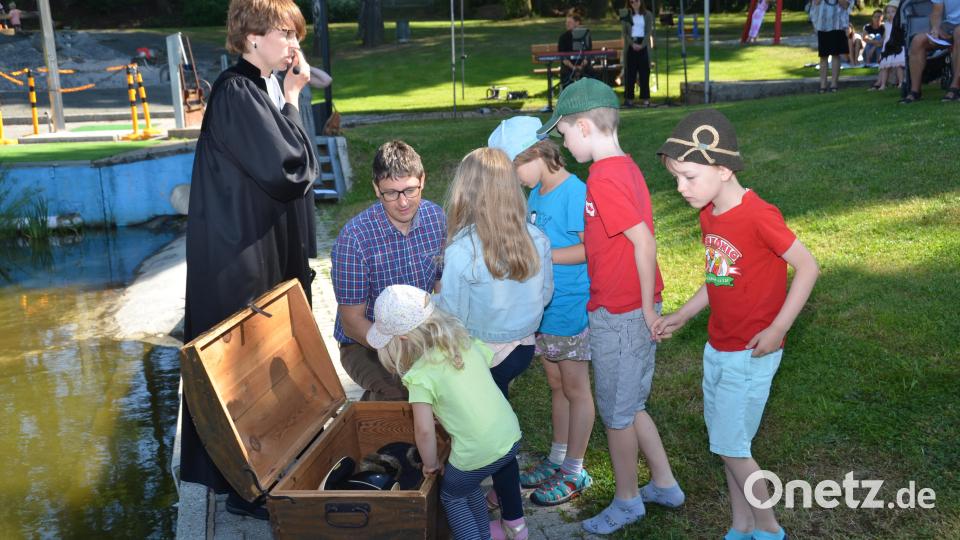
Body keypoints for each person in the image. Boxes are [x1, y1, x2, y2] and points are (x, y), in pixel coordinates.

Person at [652, 109, 820, 540]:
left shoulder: (759, 215)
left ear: (724, 169)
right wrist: (684, 313)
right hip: (718, 348)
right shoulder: (709, 214)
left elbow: (807, 267)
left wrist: (779, 328)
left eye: (689, 176)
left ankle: (768, 529)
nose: (680, 187)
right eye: (675, 177)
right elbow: (718, 276)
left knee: (731, 448)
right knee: (730, 447)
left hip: (751, 352)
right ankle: (741, 524)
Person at [182, 0, 319, 520]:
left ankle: (264, 473)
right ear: (252, 36)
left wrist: (288, 96)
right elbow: (290, 169)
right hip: (237, 258)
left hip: (256, 249)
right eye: (286, 34)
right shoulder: (237, 91)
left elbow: (289, 165)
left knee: (260, 364)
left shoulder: (254, 88)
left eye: (296, 36)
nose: (293, 46)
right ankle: (243, 488)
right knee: (238, 370)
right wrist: (291, 100)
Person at [536, 78, 684, 535]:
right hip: (623, 308)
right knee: (632, 404)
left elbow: (644, 242)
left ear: (583, 126)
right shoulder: (625, 168)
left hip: (621, 313)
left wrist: (642, 309)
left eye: (562, 133)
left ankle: (627, 501)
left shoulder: (603, 177)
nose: (562, 141)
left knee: (618, 417)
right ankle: (664, 483)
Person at [488, 117, 594, 507]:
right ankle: (557, 457)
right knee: (555, 386)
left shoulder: (573, 193)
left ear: (534, 154)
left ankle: (575, 469)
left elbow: (590, 250)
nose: (515, 179)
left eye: (515, 169)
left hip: (569, 310)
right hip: (543, 311)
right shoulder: (536, 194)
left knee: (575, 388)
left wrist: (539, 253)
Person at [367, 285, 528, 540]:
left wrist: (431, 464)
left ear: (403, 339)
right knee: (466, 484)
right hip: (509, 437)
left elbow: (423, 431)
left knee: (451, 494)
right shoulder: (463, 343)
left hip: (478, 450)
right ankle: (483, 534)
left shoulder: (420, 376)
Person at [331, 140, 446, 401]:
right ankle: (377, 418)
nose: (403, 202)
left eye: (410, 190)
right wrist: (400, 353)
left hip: (420, 331)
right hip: (366, 342)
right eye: (391, 193)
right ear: (376, 189)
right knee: (404, 392)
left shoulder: (437, 218)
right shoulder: (354, 239)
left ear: (422, 180)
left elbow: (440, 286)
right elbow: (351, 323)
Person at [435, 147, 553, 400]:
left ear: (464, 192)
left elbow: (452, 317)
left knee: (486, 418)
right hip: (524, 346)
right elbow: (545, 296)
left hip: (484, 353)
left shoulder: (462, 251)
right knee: (498, 403)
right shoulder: (538, 239)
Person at [900, 0, 960, 102]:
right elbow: (936, 12)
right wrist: (935, 29)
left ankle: (955, 88)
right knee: (918, 41)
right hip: (949, 26)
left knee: (959, 33)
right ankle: (915, 91)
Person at [808, 0, 853, 92]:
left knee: (836, 54)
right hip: (822, 25)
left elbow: (845, 5)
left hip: (838, 25)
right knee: (823, 56)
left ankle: (834, 84)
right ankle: (823, 85)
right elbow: (815, 3)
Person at [619, 0, 655, 108]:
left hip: (642, 44)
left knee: (644, 73)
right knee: (630, 73)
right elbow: (624, 33)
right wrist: (632, 44)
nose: (635, 3)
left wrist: (642, 45)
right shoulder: (626, 15)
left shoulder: (647, 14)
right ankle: (629, 99)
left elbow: (649, 32)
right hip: (631, 45)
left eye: (637, 1)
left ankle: (645, 99)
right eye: (632, 1)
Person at [873, 1, 905, 91]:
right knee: (885, 67)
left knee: (899, 66)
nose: (890, 14)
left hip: (897, 46)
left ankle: (901, 82)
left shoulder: (900, 24)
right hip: (887, 47)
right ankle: (883, 84)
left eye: (893, 12)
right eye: (888, 12)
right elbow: (885, 37)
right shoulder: (886, 25)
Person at [558, 10, 594, 88]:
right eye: (566, 22)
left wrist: (581, 66)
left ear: (577, 23)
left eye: (569, 22)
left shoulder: (585, 36)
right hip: (568, 65)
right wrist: (573, 67)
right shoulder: (563, 38)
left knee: (590, 71)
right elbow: (563, 58)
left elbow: (588, 55)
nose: (567, 24)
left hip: (583, 65)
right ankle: (568, 96)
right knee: (565, 72)